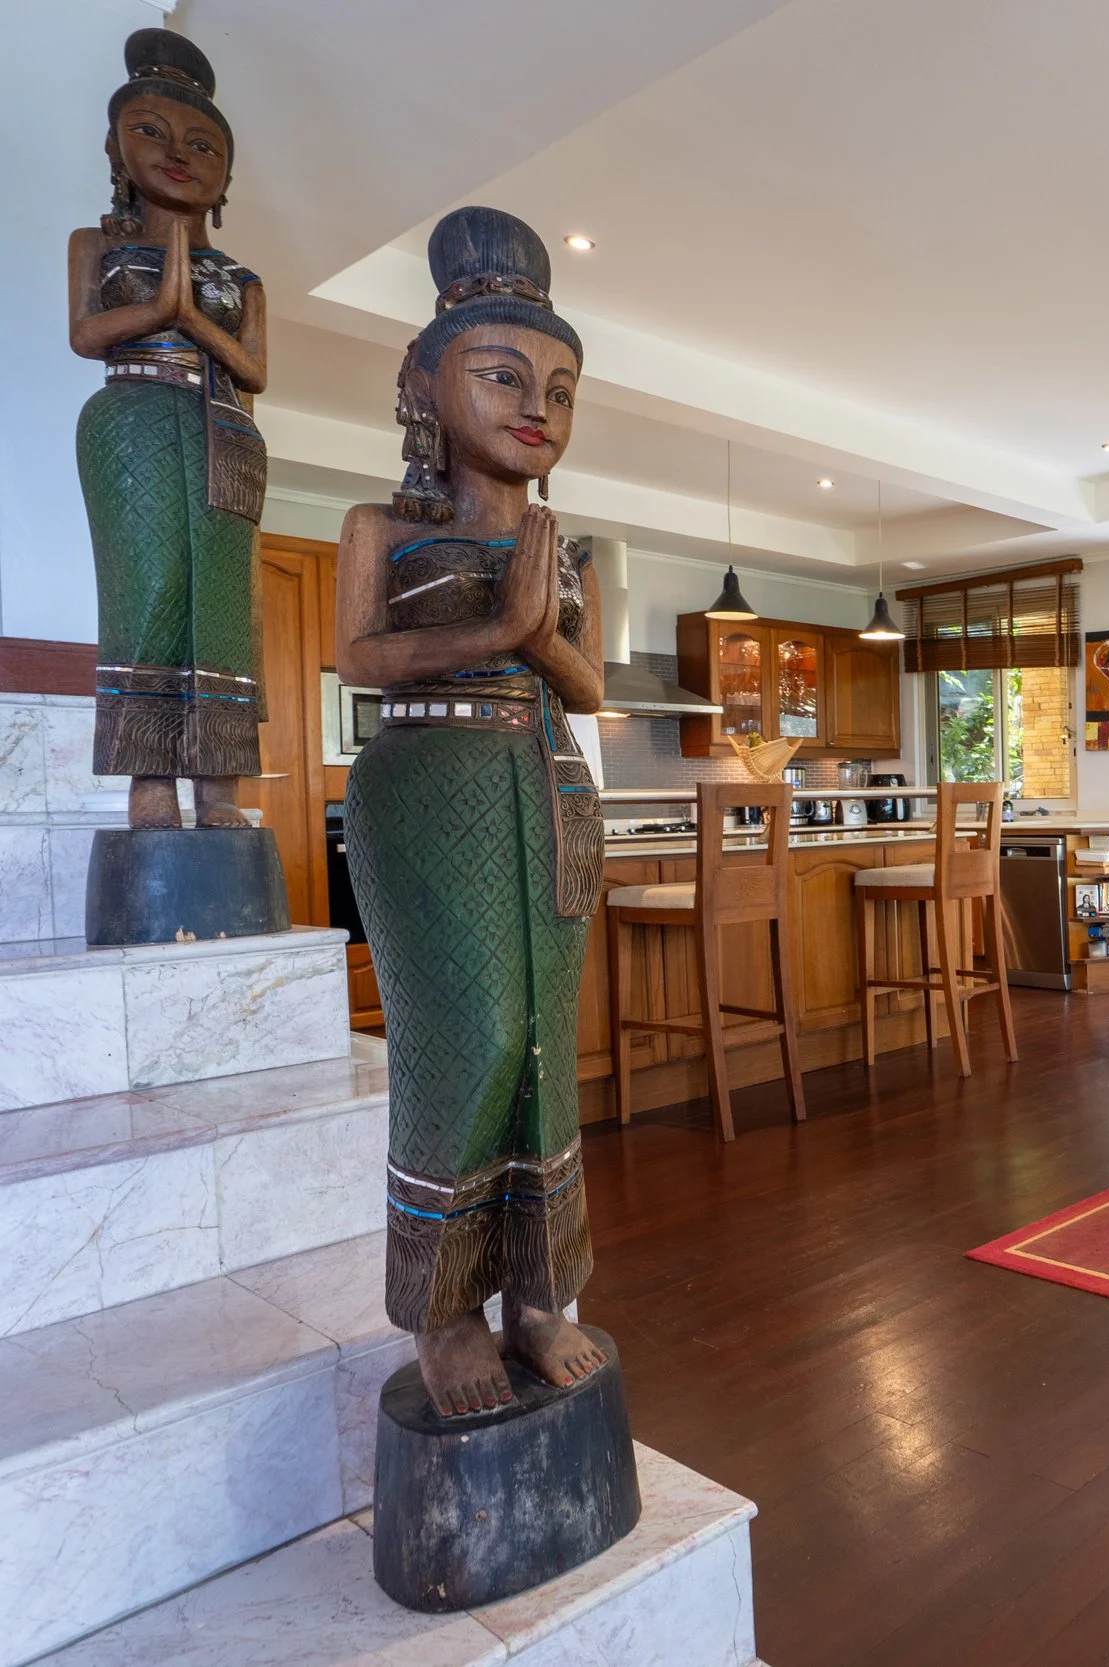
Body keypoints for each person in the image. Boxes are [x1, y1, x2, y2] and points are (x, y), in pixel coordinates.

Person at [336, 206, 609, 1418]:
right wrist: (501, 625)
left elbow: (587, 686)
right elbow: (359, 658)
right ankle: (442, 1307)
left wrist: (539, 632)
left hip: (549, 782)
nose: (535, 405)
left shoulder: (565, 548)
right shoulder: (383, 530)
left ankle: (539, 1294)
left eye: (558, 388)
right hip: (425, 783)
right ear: (425, 383)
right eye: (503, 375)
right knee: (472, 1037)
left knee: (547, 1045)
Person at [66, 28, 267, 828]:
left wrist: (188, 312)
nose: (179, 154)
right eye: (152, 131)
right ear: (116, 149)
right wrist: (161, 308)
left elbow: (255, 370)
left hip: (226, 428)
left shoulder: (240, 277)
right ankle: (148, 774)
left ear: (225, 178)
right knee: (148, 587)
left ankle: (218, 785)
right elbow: (87, 334)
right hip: (133, 416)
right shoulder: (98, 245)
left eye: (203, 145)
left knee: (223, 602)